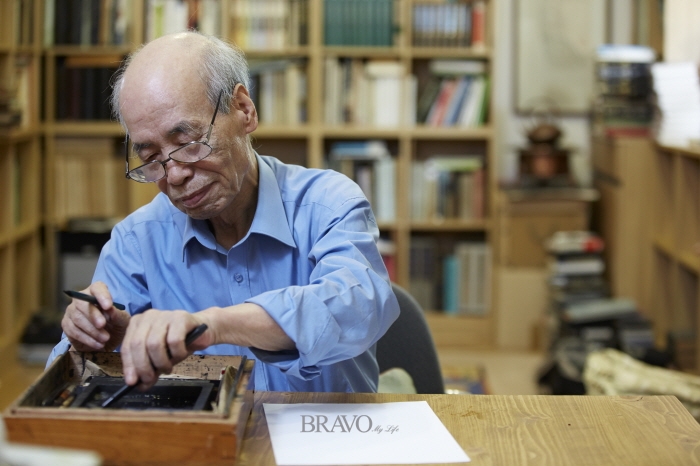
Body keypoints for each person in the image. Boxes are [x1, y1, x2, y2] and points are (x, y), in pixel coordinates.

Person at [47, 31, 400, 393]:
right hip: (200, 430)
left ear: (244, 110)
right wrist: (95, 339)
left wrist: (212, 325)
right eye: (151, 157)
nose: (175, 175)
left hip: (326, 426)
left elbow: (359, 306)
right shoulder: (137, 240)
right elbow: (68, 385)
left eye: (188, 143)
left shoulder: (328, 203)